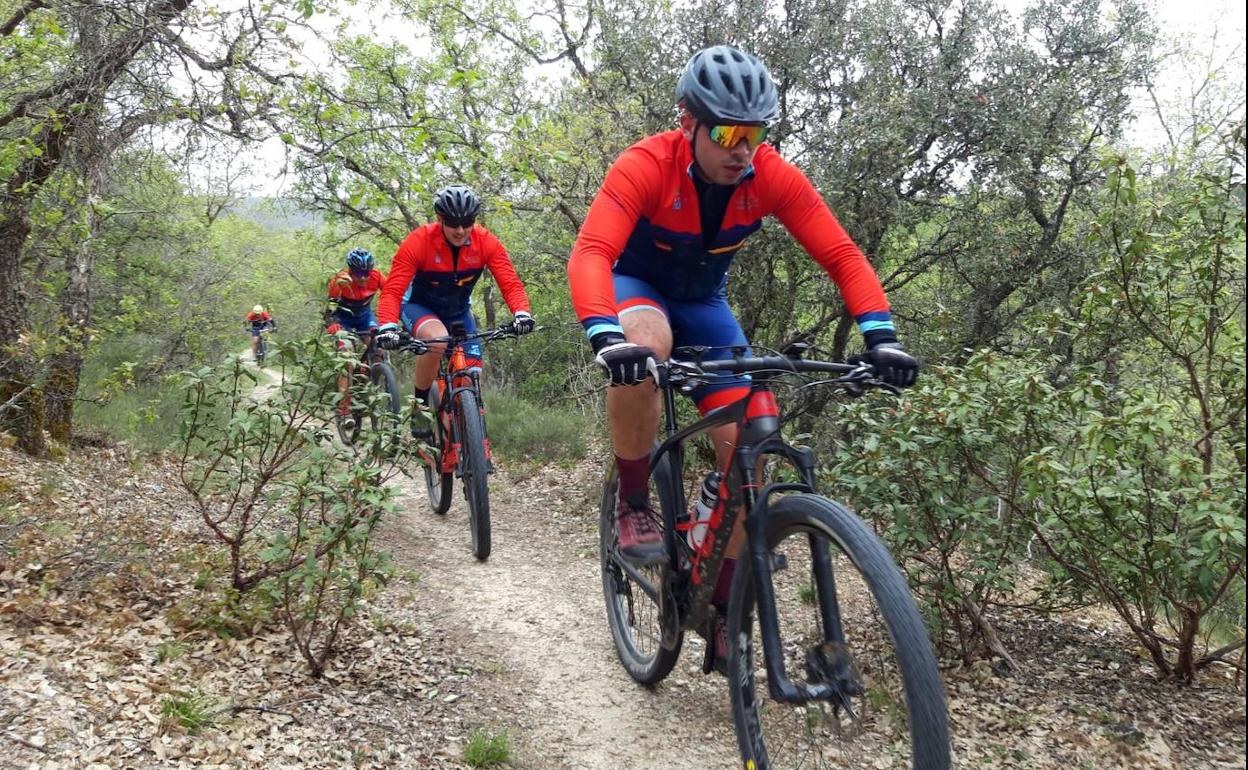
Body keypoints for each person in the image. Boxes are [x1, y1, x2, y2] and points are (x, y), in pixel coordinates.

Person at [567, 45, 919, 665]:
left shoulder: (770, 176)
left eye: (753, 134)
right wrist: (605, 334)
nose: (741, 148)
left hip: (705, 304)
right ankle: (632, 501)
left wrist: (880, 337)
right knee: (645, 350)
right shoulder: (646, 165)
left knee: (753, 439)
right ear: (688, 122)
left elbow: (841, 255)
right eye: (727, 131)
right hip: (639, 292)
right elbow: (593, 251)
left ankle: (722, 609)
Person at [376, 184, 537, 440]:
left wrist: (522, 313)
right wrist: (386, 326)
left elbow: (510, 283)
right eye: (453, 223)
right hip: (420, 307)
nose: (461, 230)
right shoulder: (419, 241)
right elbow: (393, 290)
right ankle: (419, 406)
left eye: (468, 222)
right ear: (440, 219)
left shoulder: (486, 242)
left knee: (472, 377)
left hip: (459, 312)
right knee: (436, 341)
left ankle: (465, 447)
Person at [325, 247, 386, 430]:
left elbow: (394, 295)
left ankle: (368, 385)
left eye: (366, 273)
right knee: (346, 356)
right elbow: (330, 310)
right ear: (351, 270)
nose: (363, 278)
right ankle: (344, 411)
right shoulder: (340, 281)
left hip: (364, 317)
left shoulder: (377, 277)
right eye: (358, 273)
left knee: (379, 348)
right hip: (343, 320)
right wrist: (332, 324)